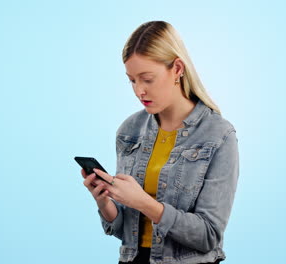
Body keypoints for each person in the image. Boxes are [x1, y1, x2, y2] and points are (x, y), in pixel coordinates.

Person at [80, 21, 239, 264]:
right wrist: (105, 201)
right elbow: (125, 229)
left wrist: (144, 202)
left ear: (177, 69)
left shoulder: (219, 135)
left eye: (147, 79)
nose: (138, 91)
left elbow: (208, 235)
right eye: (132, 80)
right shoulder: (129, 130)